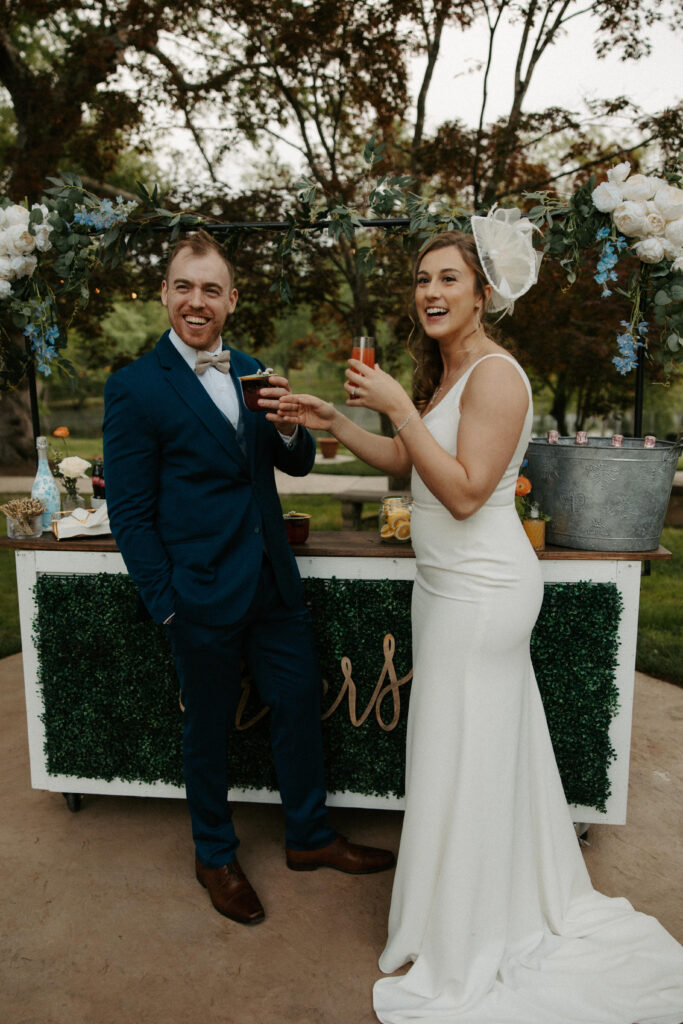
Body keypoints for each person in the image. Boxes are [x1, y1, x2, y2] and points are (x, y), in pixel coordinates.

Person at [277, 219, 683, 1022]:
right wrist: (339, 422)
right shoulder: (451, 370)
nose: (430, 292)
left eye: (447, 279)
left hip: (482, 589)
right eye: (422, 279)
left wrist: (396, 402)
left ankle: (468, 932)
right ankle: (457, 910)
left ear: (482, 291)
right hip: (445, 587)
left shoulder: (496, 375)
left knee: (463, 749)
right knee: (463, 749)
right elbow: (407, 462)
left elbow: (462, 492)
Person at [102, 230, 394, 927]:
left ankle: (310, 837)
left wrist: (291, 428)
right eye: (183, 287)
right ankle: (213, 855)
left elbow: (289, 465)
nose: (195, 301)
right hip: (197, 594)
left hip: (271, 583)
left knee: (297, 707)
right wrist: (166, 604)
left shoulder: (254, 370)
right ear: (164, 294)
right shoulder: (136, 387)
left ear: (230, 301)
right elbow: (130, 511)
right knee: (206, 730)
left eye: (210, 290)